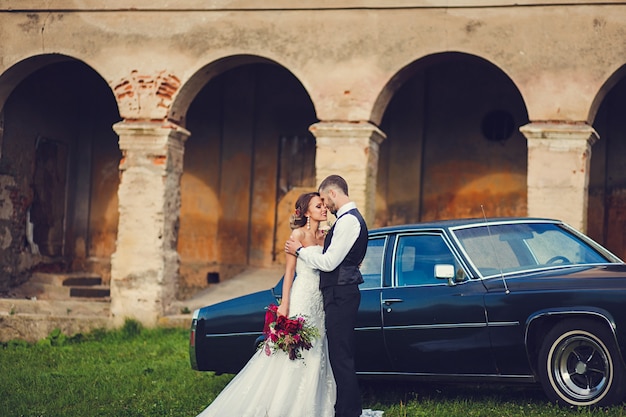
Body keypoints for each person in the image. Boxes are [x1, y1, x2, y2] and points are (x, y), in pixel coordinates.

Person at [195, 192, 336, 417]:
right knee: (296, 349)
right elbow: (289, 272)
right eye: (318, 206)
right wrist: (285, 304)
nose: (324, 209)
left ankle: (314, 405)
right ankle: (284, 404)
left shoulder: (325, 235)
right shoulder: (297, 234)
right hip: (302, 297)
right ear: (307, 212)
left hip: (319, 301)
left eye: (323, 205)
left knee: (318, 347)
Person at [285, 175, 368, 417]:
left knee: (341, 356)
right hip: (335, 293)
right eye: (318, 204)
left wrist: (300, 251)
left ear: (332, 194)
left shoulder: (348, 222)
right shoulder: (344, 222)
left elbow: (330, 262)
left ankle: (349, 412)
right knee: (338, 354)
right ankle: (343, 408)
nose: (325, 206)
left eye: (324, 200)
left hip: (341, 294)